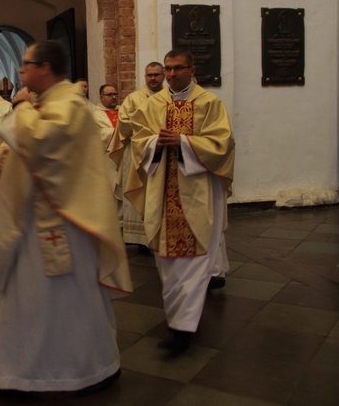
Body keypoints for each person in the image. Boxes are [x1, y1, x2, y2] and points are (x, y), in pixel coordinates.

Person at [0, 40, 132, 395]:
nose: (21, 72)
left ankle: (82, 368)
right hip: (34, 219)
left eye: (27, 65)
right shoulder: (50, 102)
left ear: (45, 68)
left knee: (59, 302)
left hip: (62, 224)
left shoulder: (69, 103)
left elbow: (41, 143)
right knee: (21, 297)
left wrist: (21, 107)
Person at [126, 49, 235, 356]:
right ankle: (178, 320)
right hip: (163, 190)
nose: (171, 75)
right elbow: (138, 139)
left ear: (192, 69)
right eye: (168, 69)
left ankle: (183, 329)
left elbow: (223, 144)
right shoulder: (154, 104)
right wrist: (153, 143)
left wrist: (184, 142)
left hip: (199, 191)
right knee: (167, 259)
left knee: (196, 260)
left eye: (177, 69)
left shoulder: (211, 103)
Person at [109, 62, 164, 246]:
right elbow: (123, 124)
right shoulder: (133, 99)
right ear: (145, 76)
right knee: (138, 188)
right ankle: (138, 238)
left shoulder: (169, 98)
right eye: (150, 75)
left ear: (162, 75)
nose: (153, 78)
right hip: (136, 153)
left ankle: (159, 232)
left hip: (161, 153)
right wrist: (151, 131)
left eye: (156, 74)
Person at [94, 84, 120, 192]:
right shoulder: (95, 115)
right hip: (107, 158)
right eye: (109, 95)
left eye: (115, 94)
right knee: (110, 189)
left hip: (124, 155)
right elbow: (95, 135)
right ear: (101, 97)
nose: (113, 97)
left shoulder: (124, 111)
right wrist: (117, 132)